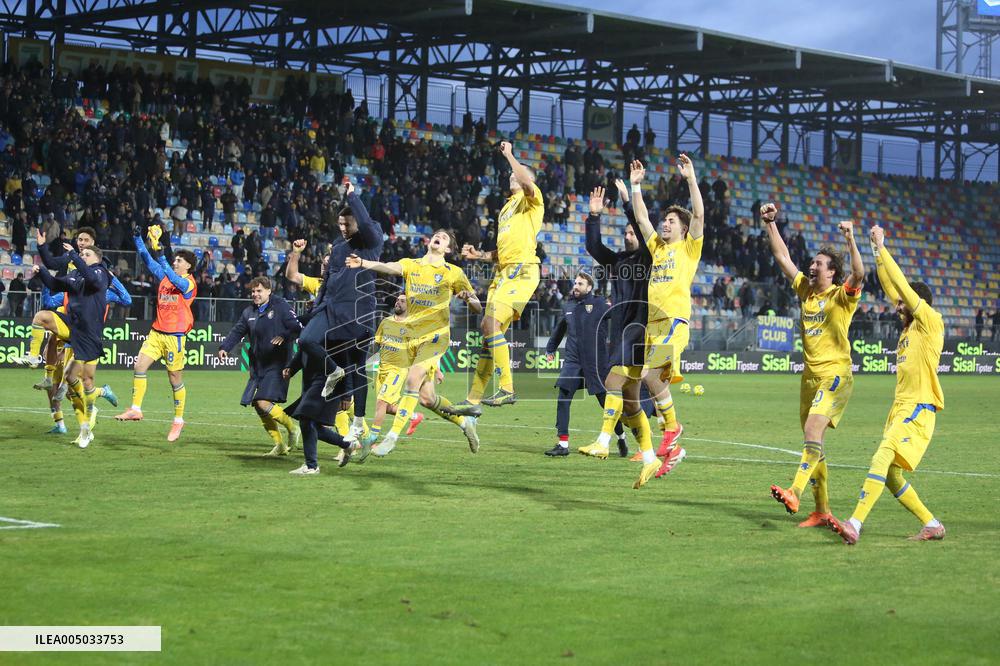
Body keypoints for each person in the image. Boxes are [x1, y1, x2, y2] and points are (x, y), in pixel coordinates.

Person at [828, 224, 946, 544]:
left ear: (917, 302)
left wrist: (882, 247)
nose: (896, 306)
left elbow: (904, 289)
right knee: (892, 475)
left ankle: (855, 522)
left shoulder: (930, 323)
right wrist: (876, 254)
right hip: (900, 409)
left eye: (902, 303)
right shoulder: (909, 328)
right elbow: (893, 288)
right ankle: (931, 523)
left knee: (881, 456)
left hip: (919, 409)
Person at [762, 202, 865, 526]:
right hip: (809, 379)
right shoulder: (806, 291)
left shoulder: (842, 296)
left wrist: (850, 239)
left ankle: (795, 490)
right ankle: (822, 511)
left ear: (832, 271)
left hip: (835, 376)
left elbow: (860, 273)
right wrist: (770, 224)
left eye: (818, 263)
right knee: (814, 442)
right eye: (812, 262)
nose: (812, 266)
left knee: (812, 430)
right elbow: (782, 258)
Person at [347, 229, 482, 456]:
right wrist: (363, 262)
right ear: (430, 242)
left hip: (436, 336)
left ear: (448, 249)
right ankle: (464, 422)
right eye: (437, 234)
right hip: (412, 337)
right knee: (427, 399)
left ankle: (391, 437)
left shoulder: (454, 273)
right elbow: (388, 267)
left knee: (412, 378)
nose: (439, 237)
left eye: (445, 237)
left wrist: (470, 298)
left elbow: (478, 308)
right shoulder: (412, 264)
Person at [577, 182, 661, 489]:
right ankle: (650, 458)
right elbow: (594, 248)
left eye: (630, 233)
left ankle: (603, 441)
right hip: (622, 329)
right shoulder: (617, 262)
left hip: (638, 327)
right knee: (630, 403)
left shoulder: (647, 258)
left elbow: (642, 227)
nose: (627, 236)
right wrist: (594, 216)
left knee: (612, 381)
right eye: (624, 234)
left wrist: (628, 200)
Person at [451, 140, 543, 414]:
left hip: (522, 270)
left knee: (489, 326)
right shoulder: (507, 209)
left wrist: (512, 156)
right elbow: (503, 250)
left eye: (518, 174)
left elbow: (526, 181)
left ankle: (508, 389)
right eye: (511, 174)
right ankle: (473, 401)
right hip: (503, 273)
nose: (512, 176)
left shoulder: (530, 199)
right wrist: (479, 256)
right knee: (489, 336)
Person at [628, 156, 704, 479]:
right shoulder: (658, 249)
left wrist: (690, 178)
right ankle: (672, 446)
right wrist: (635, 186)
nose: (666, 224)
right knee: (652, 380)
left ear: (683, 229)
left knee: (648, 375)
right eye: (666, 220)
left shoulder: (689, 248)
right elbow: (641, 217)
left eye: (672, 221)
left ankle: (673, 429)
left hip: (674, 321)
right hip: (653, 326)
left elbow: (699, 213)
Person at [296, 179, 383, 441]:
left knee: (357, 366)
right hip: (332, 309)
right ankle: (334, 371)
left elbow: (366, 225)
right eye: (340, 225)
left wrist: (354, 197)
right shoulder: (338, 247)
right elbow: (329, 280)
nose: (343, 228)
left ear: (356, 220)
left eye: (347, 223)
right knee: (307, 339)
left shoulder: (370, 238)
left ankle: (358, 421)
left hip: (358, 311)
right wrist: (318, 308)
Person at [114, 227, 198, 443]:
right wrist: (138, 239)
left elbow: (172, 276)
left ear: (188, 266)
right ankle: (135, 408)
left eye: (179, 260)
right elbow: (146, 259)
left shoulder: (188, 283)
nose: (176, 262)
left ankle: (178, 420)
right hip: (156, 332)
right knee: (139, 366)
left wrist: (161, 255)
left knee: (174, 379)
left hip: (175, 337)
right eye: (175, 259)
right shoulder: (165, 276)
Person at [25, 244, 111, 448]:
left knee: (74, 379)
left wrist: (74, 254)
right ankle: (34, 356)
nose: (83, 256)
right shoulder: (76, 275)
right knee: (41, 317)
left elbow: (90, 277)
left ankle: (85, 428)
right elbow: (55, 284)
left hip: (89, 334)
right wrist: (42, 272)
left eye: (87, 254)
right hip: (72, 324)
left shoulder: (100, 273)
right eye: (82, 254)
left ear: (97, 258)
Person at [543, 271, 627, 457]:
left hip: (595, 363)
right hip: (573, 361)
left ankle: (621, 436)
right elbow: (559, 329)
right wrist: (550, 349)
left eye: (580, 284)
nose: (575, 286)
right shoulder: (569, 306)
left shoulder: (599, 304)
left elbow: (619, 315)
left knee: (605, 402)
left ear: (589, 287)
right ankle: (562, 444)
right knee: (563, 398)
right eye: (575, 283)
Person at [218, 276, 302, 457]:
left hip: (278, 364)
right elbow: (237, 331)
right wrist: (225, 347)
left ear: (269, 291)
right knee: (258, 405)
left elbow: (297, 327)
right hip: (258, 366)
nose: (255, 294)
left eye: (259, 291)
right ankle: (279, 445)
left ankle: (292, 428)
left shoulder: (280, 307)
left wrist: (285, 336)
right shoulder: (249, 312)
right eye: (253, 292)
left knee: (262, 402)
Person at [369, 294, 434, 442]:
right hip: (382, 369)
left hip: (398, 370)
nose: (398, 302)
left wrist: (435, 370)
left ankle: (372, 438)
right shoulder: (385, 322)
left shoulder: (413, 326)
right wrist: (368, 364)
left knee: (381, 402)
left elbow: (424, 351)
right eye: (398, 300)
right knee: (387, 406)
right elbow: (377, 345)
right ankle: (414, 416)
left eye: (402, 301)